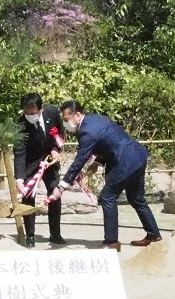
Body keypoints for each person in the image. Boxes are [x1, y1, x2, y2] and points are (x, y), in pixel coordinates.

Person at [58, 100, 162, 251]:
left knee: (107, 197)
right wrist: (97, 163)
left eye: (67, 119)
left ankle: (111, 241)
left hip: (124, 162)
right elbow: (110, 142)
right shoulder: (96, 119)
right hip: (137, 157)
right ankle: (154, 234)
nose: (66, 123)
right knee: (137, 199)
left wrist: (64, 184)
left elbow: (80, 159)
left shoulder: (86, 131)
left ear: (78, 115)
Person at [13, 93, 65, 248]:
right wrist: (20, 179)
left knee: (54, 193)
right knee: (28, 197)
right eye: (26, 112)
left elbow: (61, 133)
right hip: (30, 164)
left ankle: (55, 233)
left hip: (50, 160)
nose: (30, 115)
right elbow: (20, 152)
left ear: (41, 109)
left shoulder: (52, 113)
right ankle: (30, 235)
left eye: (33, 112)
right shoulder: (20, 125)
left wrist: (56, 149)